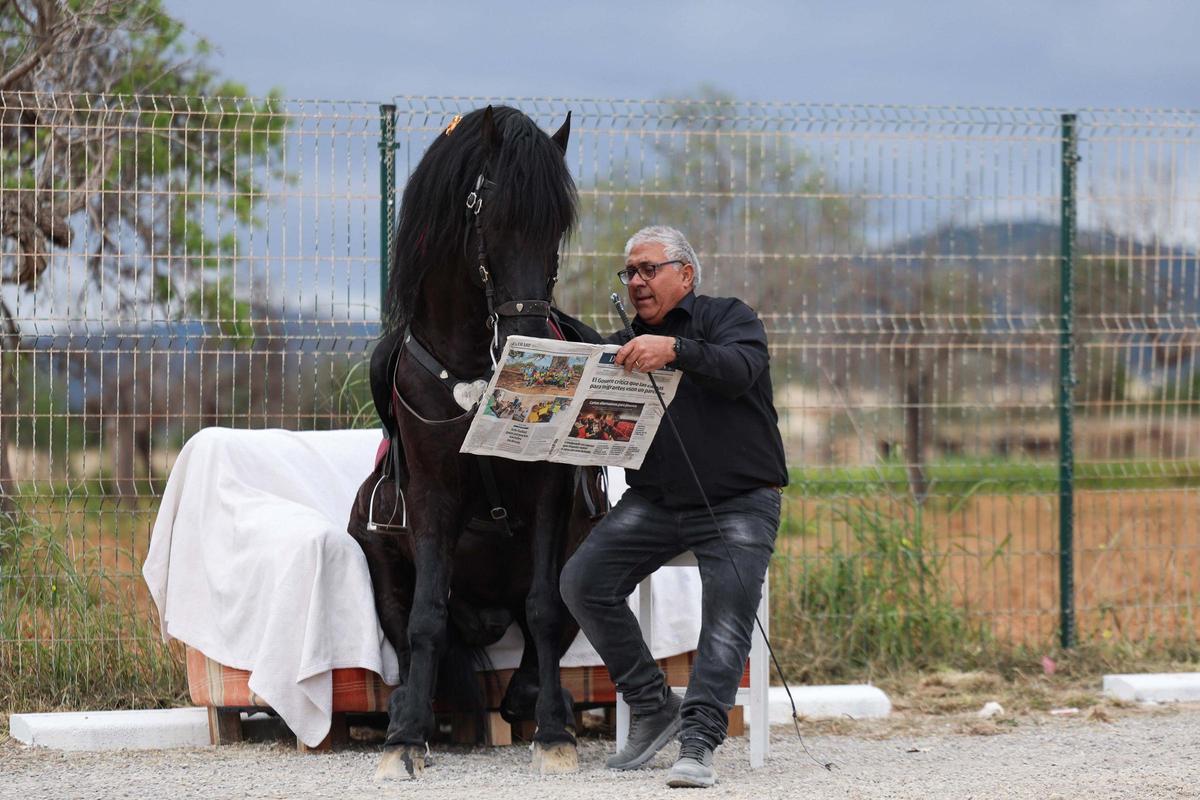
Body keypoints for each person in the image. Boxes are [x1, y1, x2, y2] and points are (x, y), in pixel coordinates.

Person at [560, 225, 787, 789]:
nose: (637, 281)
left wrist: (676, 350)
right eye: (630, 272)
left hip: (739, 502)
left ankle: (700, 740)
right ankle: (652, 703)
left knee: (728, 615)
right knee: (581, 582)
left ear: (684, 274)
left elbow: (740, 371)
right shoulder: (622, 346)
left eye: (648, 269)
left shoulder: (730, 317)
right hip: (656, 502)